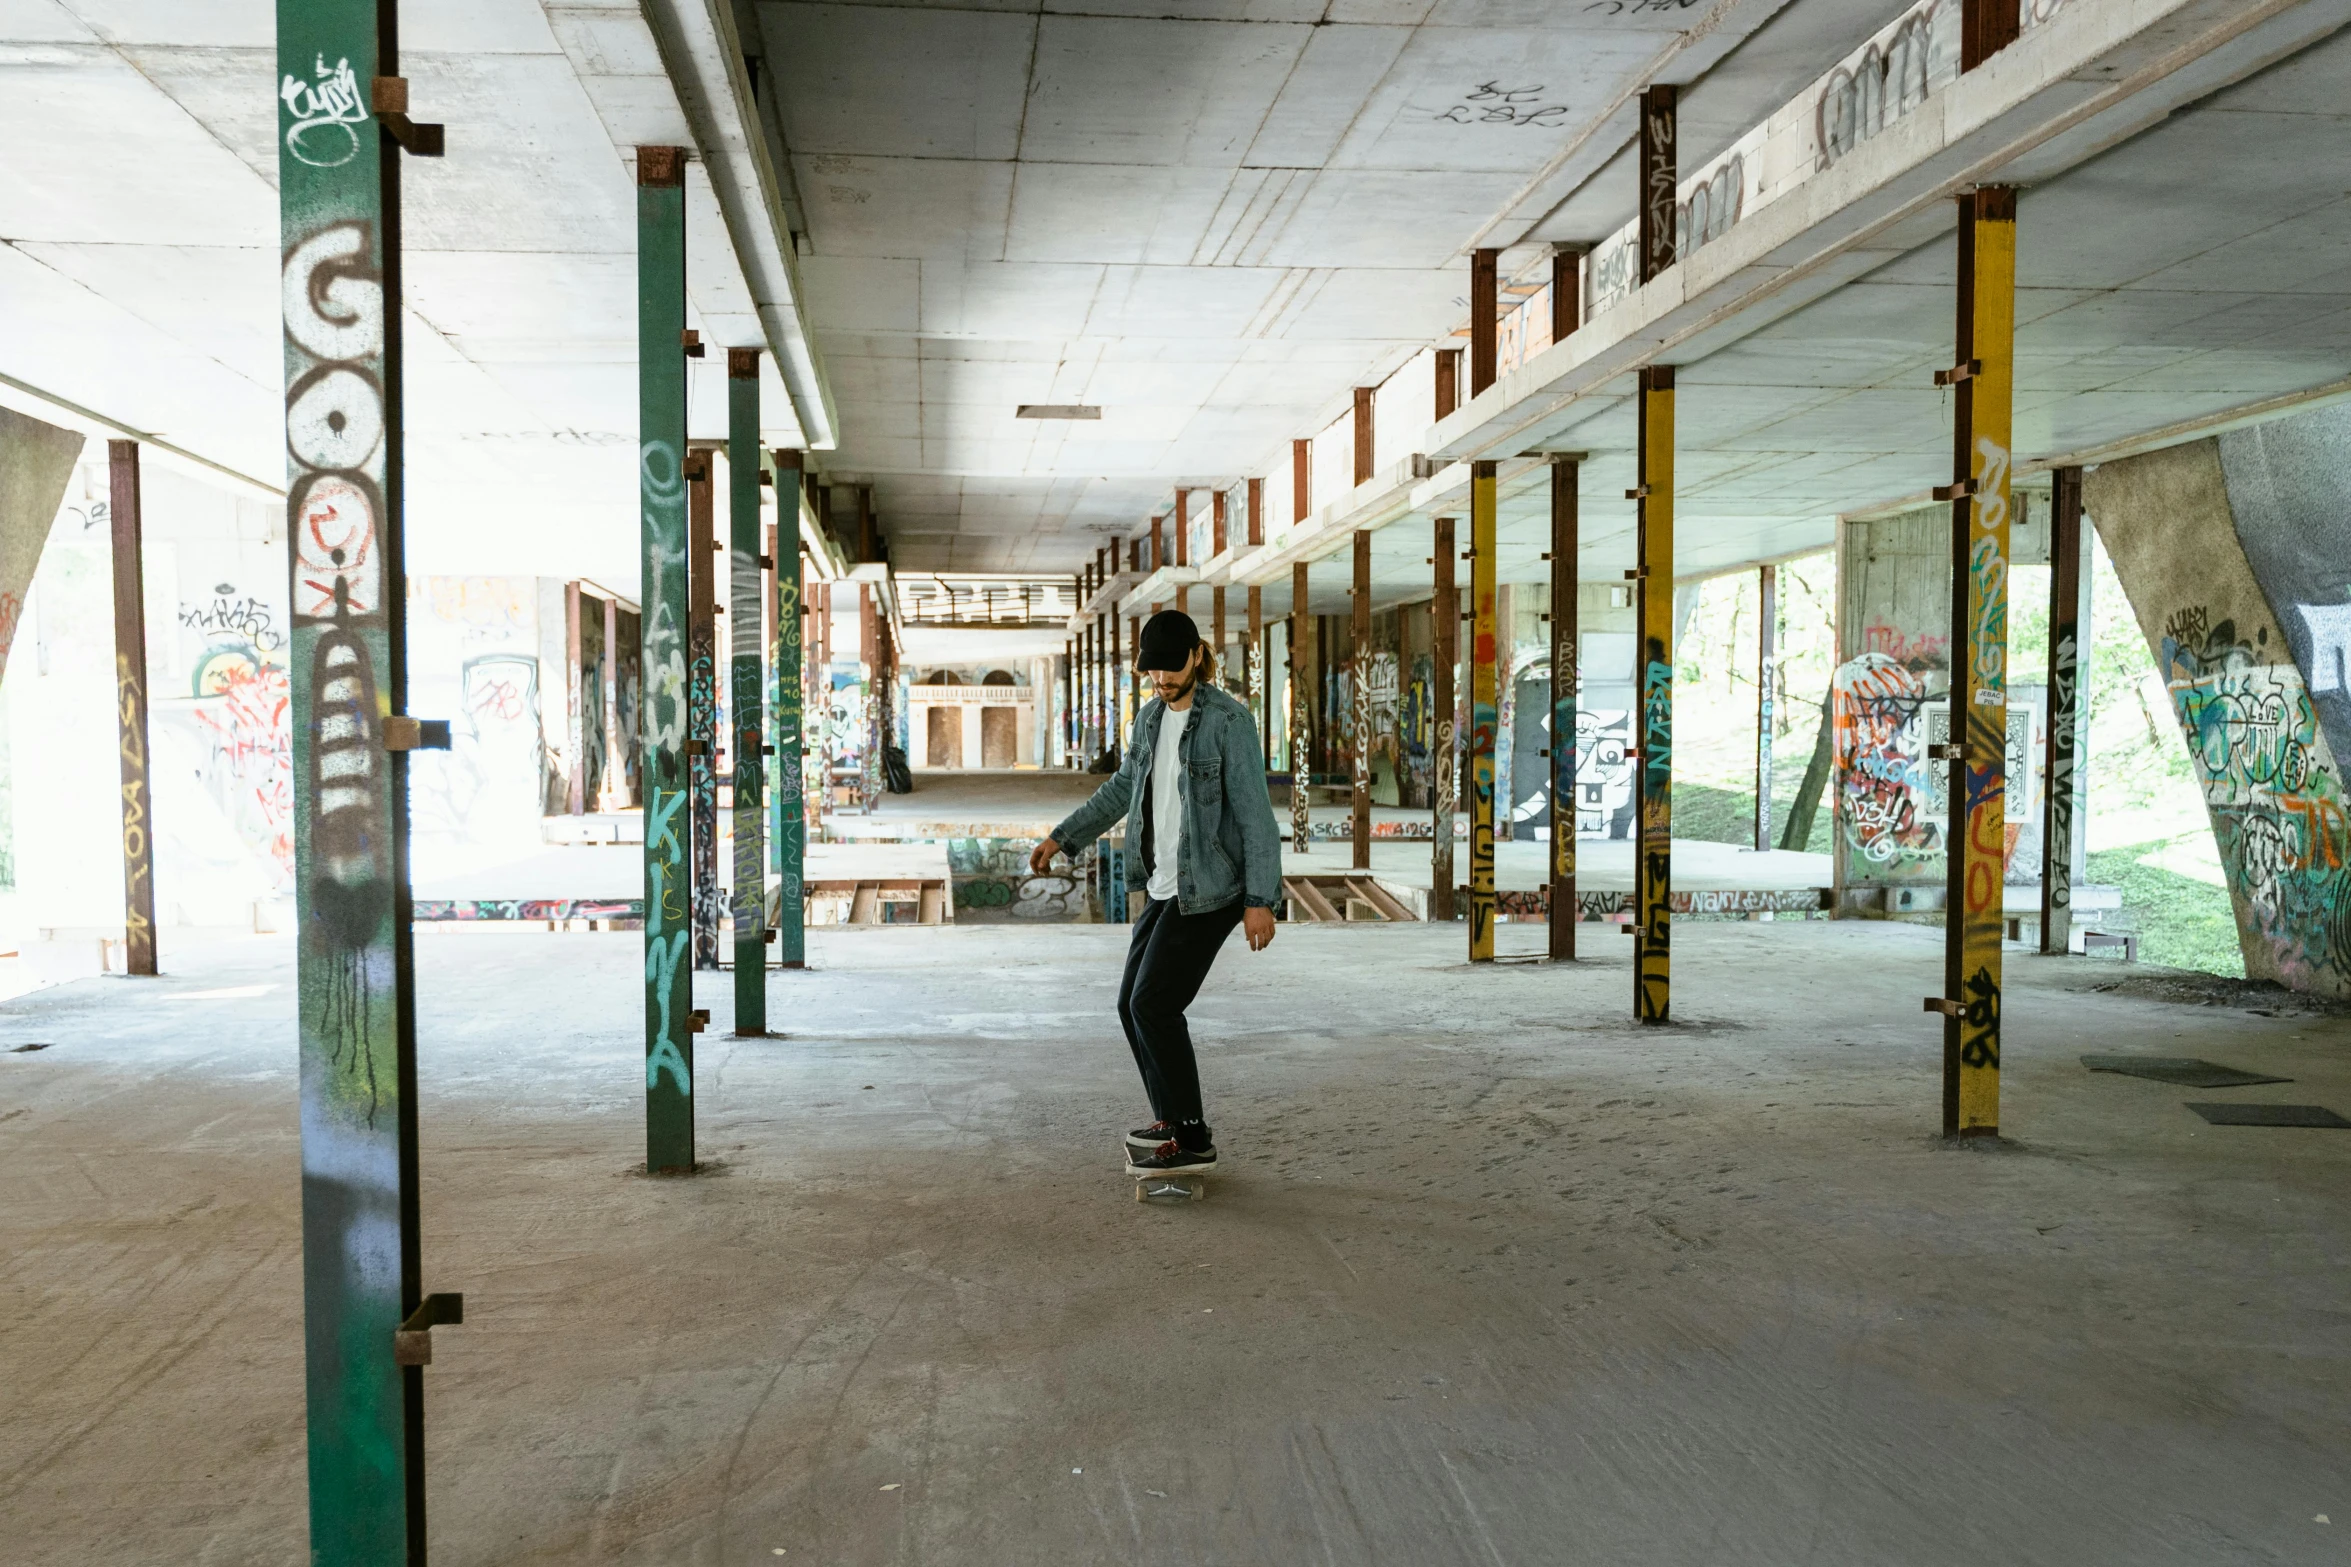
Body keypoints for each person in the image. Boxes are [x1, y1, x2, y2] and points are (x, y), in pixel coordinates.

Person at [1030, 609, 1281, 1176]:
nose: (1162, 680)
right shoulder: (1147, 721)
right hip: (1162, 885)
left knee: (1155, 1004)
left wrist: (1261, 899)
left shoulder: (1228, 723)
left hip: (1212, 889)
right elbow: (1123, 789)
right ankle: (1171, 1120)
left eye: (1172, 669)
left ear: (1197, 656)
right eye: (1153, 672)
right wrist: (1062, 837)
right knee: (1130, 1005)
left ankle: (1192, 1139)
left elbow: (1255, 815)